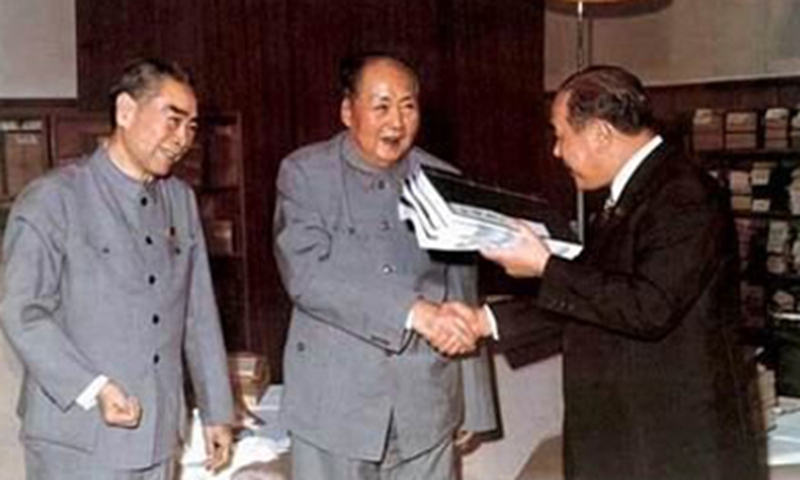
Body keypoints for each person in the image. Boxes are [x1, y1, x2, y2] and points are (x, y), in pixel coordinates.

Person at [450, 65, 767, 480]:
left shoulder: (684, 195)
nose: (556, 152)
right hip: (629, 441)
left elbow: (647, 306)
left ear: (600, 133)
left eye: (561, 135)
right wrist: (483, 320)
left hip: (670, 450)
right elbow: (593, 299)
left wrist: (545, 265)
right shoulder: (634, 195)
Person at [0, 58, 235, 479]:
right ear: (125, 111)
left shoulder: (180, 201)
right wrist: (94, 387)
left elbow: (199, 315)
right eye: (173, 120)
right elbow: (21, 311)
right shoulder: (52, 199)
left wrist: (217, 409)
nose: (183, 139)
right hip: (77, 438)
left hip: (159, 434)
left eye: (191, 127)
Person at [273, 52, 496, 479]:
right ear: (346, 111)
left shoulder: (445, 180)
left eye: (408, 105)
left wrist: (474, 403)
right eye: (381, 106)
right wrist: (413, 312)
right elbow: (306, 276)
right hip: (332, 411)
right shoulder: (304, 173)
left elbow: (462, 292)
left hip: (426, 406)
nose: (396, 122)